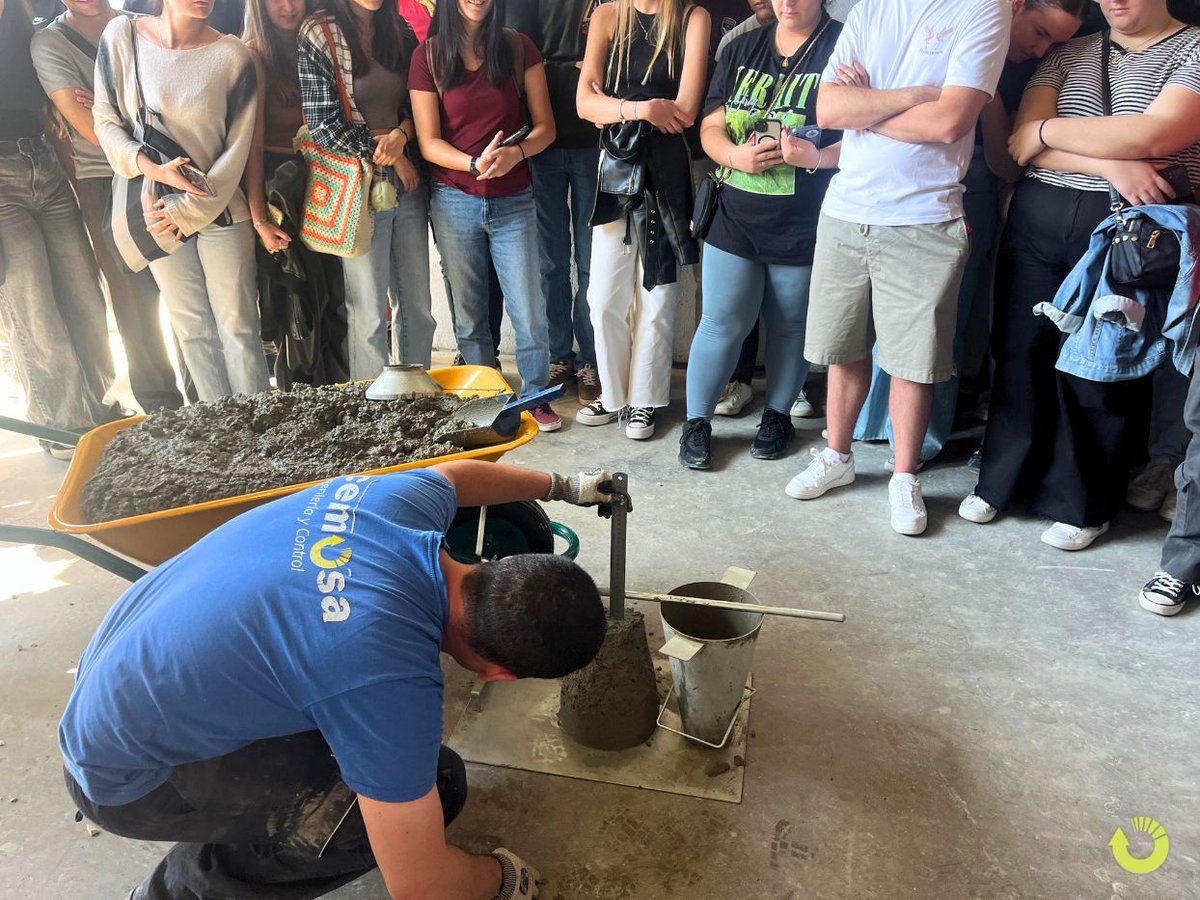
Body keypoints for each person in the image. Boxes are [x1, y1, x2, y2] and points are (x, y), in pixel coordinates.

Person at [60, 460, 610, 898]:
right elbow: (422, 886)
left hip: (114, 679)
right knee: (427, 790)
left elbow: (455, 477)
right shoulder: (386, 677)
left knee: (378, 755)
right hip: (126, 775)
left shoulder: (395, 504)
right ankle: (175, 893)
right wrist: (496, 878)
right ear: (498, 673)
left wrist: (562, 484)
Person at [960, 0, 1200, 550]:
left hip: (1132, 235)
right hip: (1038, 220)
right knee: (1020, 352)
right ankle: (1001, 481)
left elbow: (1156, 137)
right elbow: (1023, 143)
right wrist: (1109, 161)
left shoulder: (1193, 49)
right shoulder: (1071, 51)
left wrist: (1052, 132)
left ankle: (1084, 502)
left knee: (1103, 365)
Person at [783, 0, 1010, 536]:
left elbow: (951, 120)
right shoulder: (871, 8)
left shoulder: (984, 10)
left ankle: (904, 474)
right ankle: (837, 456)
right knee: (843, 348)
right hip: (845, 210)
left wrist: (871, 107)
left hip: (924, 216)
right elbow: (830, 111)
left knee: (914, 360)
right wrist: (916, 95)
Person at [851, 0, 1088, 471]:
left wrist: (989, 92)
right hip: (877, 182)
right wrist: (869, 112)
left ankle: (918, 439)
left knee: (939, 321)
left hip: (964, 194)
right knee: (878, 315)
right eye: (1039, 31)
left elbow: (1005, 162)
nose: (1040, 48)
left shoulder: (1026, 71)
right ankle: (870, 423)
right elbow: (847, 107)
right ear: (1016, 6)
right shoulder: (948, 29)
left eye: (1054, 43)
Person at [678, 0, 841, 470]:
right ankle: (697, 423)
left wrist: (813, 156)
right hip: (736, 213)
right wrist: (735, 157)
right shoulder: (741, 46)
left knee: (790, 324)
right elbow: (709, 125)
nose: (787, 3)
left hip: (805, 217)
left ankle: (777, 416)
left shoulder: (843, 45)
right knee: (721, 321)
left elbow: (868, 135)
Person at [93, 0, 271, 402]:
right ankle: (220, 436)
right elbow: (105, 121)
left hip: (222, 211)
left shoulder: (232, 55)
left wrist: (187, 210)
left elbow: (239, 149)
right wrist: (153, 170)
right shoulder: (122, 38)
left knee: (239, 327)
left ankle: (262, 437)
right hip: (155, 208)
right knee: (191, 329)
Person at [410, 0, 561, 429]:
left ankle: (536, 395)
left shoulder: (518, 47)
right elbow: (428, 142)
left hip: (514, 197)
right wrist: (473, 164)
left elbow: (545, 127)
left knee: (529, 310)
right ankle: (489, 394)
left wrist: (516, 153)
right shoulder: (429, 55)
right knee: (470, 312)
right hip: (454, 196)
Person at [31, 0, 186, 415]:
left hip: (171, 169)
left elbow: (180, 99)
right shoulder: (48, 42)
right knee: (132, 298)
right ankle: (162, 408)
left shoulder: (143, 26)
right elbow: (92, 132)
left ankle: (208, 394)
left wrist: (103, 100)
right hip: (103, 178)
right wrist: (132, 97)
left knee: (186, 291)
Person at [575, 0, 710, 440]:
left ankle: (646, 400)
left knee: (658, 296)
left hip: (667, 174)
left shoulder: (692, 18)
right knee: (603, 298)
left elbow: (685, 111)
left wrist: (613, 103)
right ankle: (614, 395)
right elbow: (583, 104)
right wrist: (642, 109)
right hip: (616, 168)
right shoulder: (608, 15)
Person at [0, 0, 121, 456]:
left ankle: (98, 406)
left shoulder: (25, 24)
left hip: (44, 166)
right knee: (35, 312)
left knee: (85, 296)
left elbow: (56, 103)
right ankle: (63, 426)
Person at [299, 0, 436, 380]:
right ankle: (372, 406)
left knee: (417, 308)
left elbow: (419, 102)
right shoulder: (318, 32)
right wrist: (392, 154)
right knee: (369, 313)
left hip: (406, 184)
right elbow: (323, 124)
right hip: (357, 188)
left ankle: (414, 399)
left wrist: (401, 137)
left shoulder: (400, 29)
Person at [506, 0, 604, 405]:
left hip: (596, 139)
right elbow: (516, 50)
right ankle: (558, 355)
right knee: (550, 260)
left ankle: (591, 359)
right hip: (539, 138)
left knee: (590, 260)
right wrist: (566, 67)